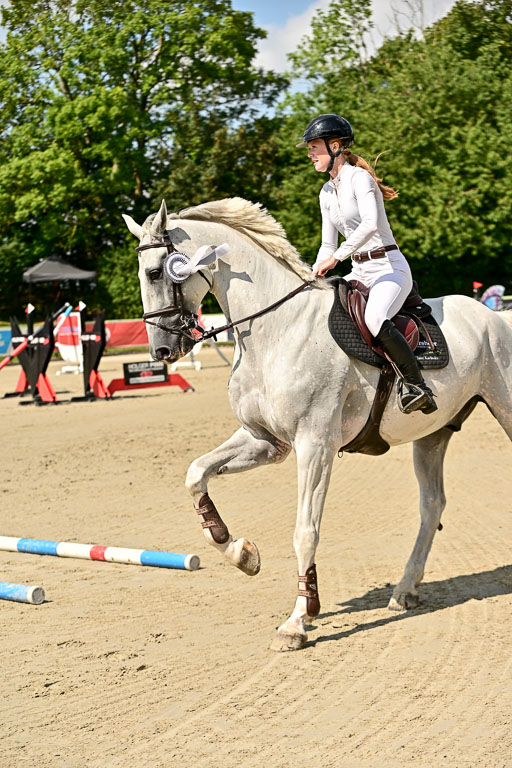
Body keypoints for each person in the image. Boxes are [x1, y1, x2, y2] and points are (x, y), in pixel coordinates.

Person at [297, 113, 437, 415]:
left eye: (314, 147)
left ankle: (417, 386)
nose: (310, 154)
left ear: (335, 146)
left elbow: (371, 224)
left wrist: (337, 258)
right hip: (359, 270)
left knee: (374, 318)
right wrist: (309, 275)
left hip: (388, 267)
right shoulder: (325, 192)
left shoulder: (359, 179)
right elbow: (326, 244)